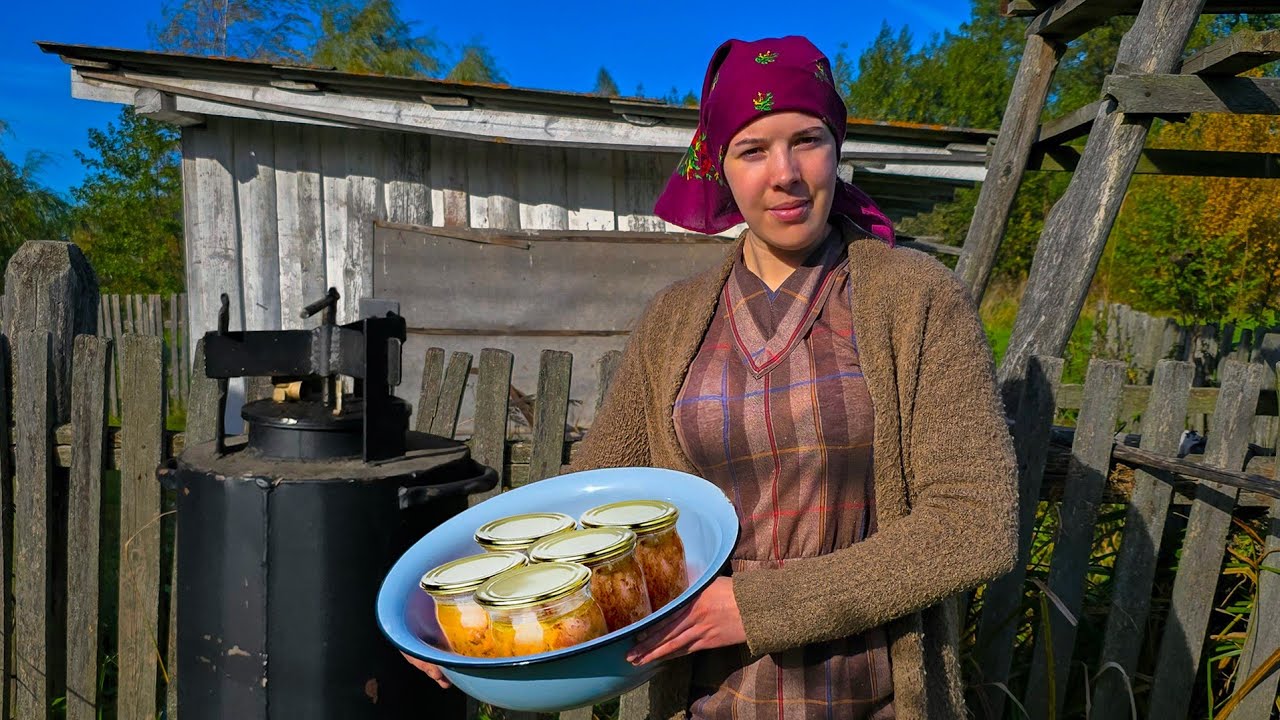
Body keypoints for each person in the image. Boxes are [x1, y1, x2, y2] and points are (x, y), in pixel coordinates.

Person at [407, 35, 1018, 719]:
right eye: (752, 150)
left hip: (869, 699)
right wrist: (443, 608)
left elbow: (974, 524)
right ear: (718, 167)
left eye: (807, 140)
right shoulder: (675, 320)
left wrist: (757, 608)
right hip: (705, 699)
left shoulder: (914, 299)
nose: (784, 173)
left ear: (837, 147)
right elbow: (586, 502)